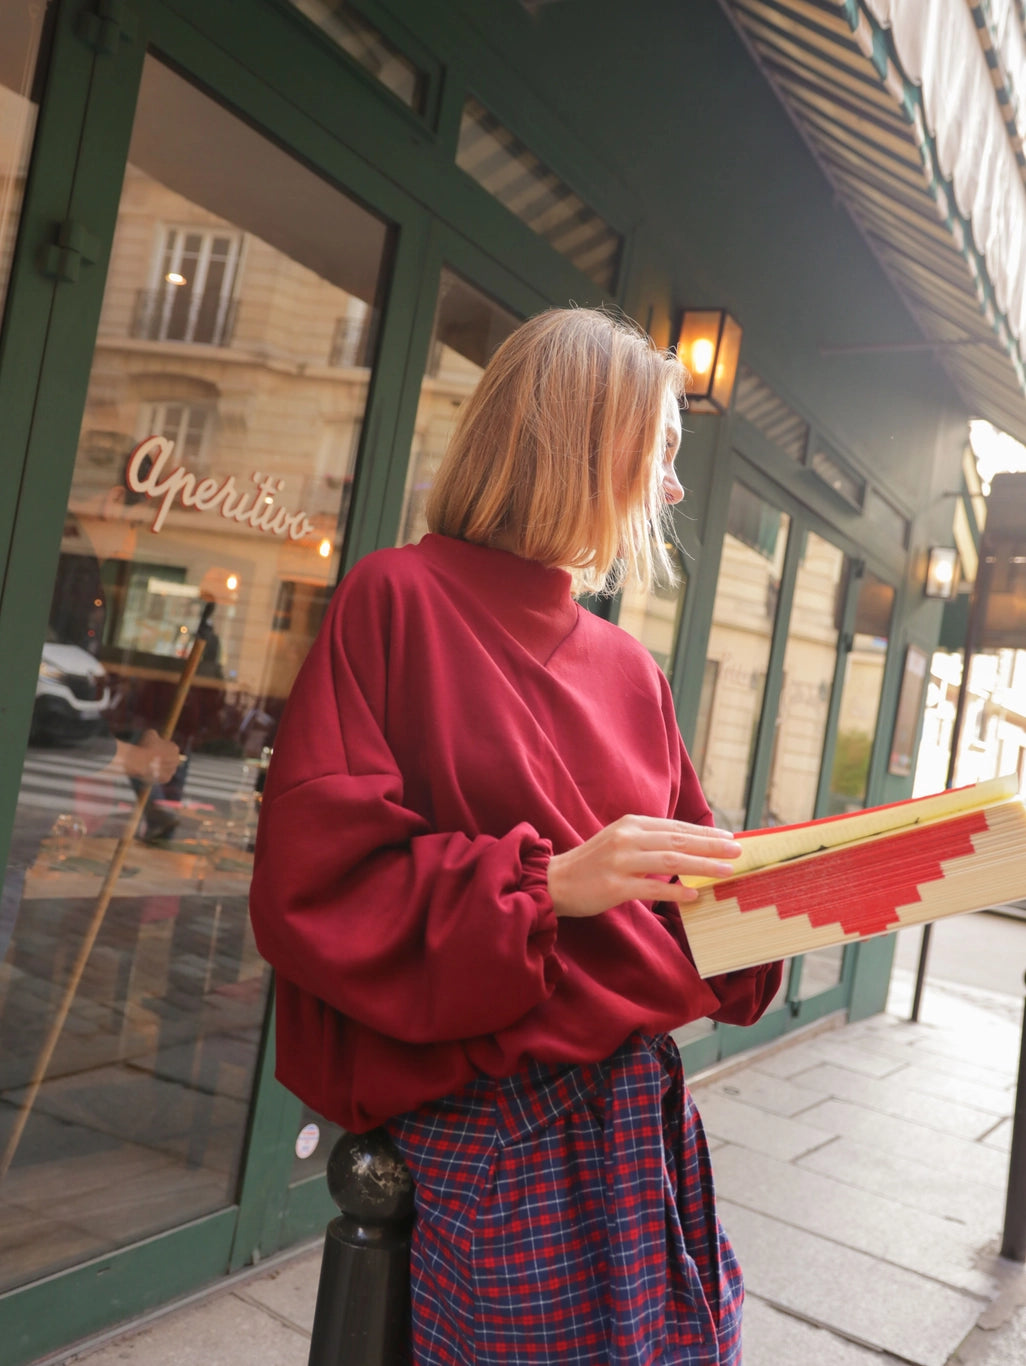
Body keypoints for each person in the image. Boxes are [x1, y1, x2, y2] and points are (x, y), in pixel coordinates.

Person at [248, 308, 783, 1365]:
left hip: (644, 1121)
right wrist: (548, 886)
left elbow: (686, 893)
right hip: (496, 1131)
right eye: (661, 452)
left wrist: (803, 892)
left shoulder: (632, 670)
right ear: (582, 446)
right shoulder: (396, 600)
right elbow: (315, 882)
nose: (674, 489)